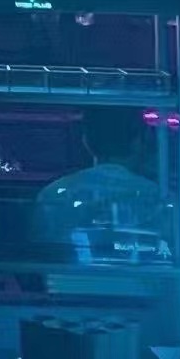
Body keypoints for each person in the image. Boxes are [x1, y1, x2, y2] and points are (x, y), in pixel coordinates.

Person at [34, 109, 170, 258]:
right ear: (139, 141)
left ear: (86, 141)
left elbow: (43, 255)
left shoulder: (52, 195)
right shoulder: (158, 197)